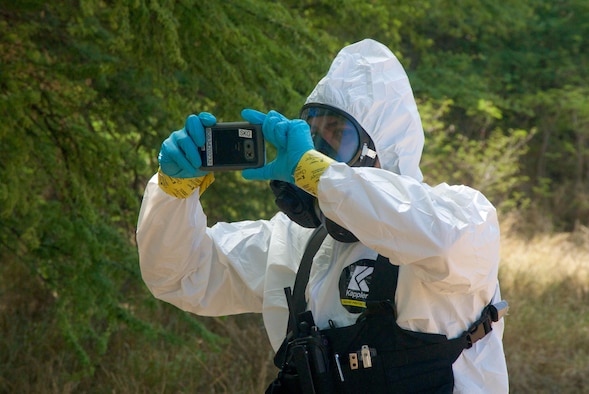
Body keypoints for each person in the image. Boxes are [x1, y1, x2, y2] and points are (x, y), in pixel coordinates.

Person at [137, 39, 509, 393]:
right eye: (311, 134)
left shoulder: (462, 217)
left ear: (380, 150)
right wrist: (173, 192)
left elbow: (438, 240)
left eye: (336, 134)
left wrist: (327, 179)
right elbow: (181, 275)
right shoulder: (298, 248)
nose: (317, 151)